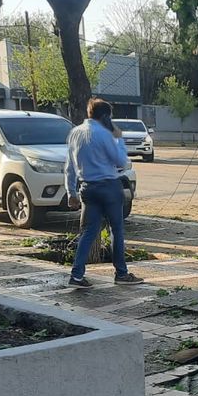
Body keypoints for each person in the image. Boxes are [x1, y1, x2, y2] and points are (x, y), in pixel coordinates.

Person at [64, 98, 142, 288]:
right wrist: (119, 138)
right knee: (116, 230)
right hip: (109, 186)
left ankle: (76, 275)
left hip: (87, 188)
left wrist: (71, 192)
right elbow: (121, 161)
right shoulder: (104, 134)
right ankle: (121, 273)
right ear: (106, 116)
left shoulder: (75, 133)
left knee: (88, 232)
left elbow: (70, 167)